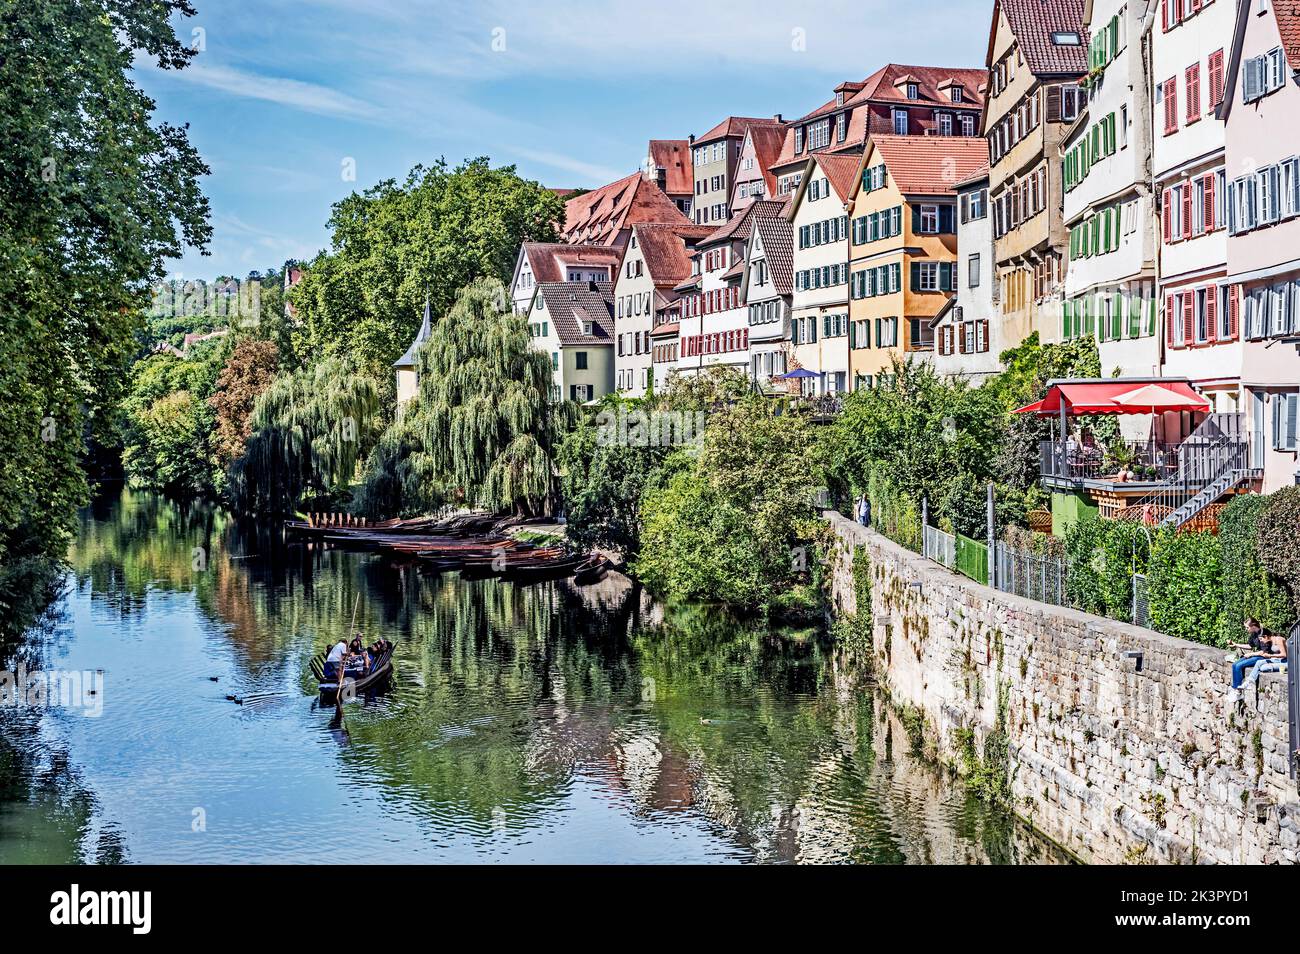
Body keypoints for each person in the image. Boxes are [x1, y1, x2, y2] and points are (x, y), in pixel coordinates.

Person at [1228, 618, 1287, 698]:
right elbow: (1250, 646)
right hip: (1259, 655)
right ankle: (1236, 688)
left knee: (1239, 666)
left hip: (1262, 656)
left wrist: (1251, 654)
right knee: (1235, 665)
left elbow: (1264, 652)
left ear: (1253, 626)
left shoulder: (1264, 633)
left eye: (1247, 627)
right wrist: (1236, 645)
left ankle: (1238, 691)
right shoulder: (1254, 634)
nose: (1246, 629)